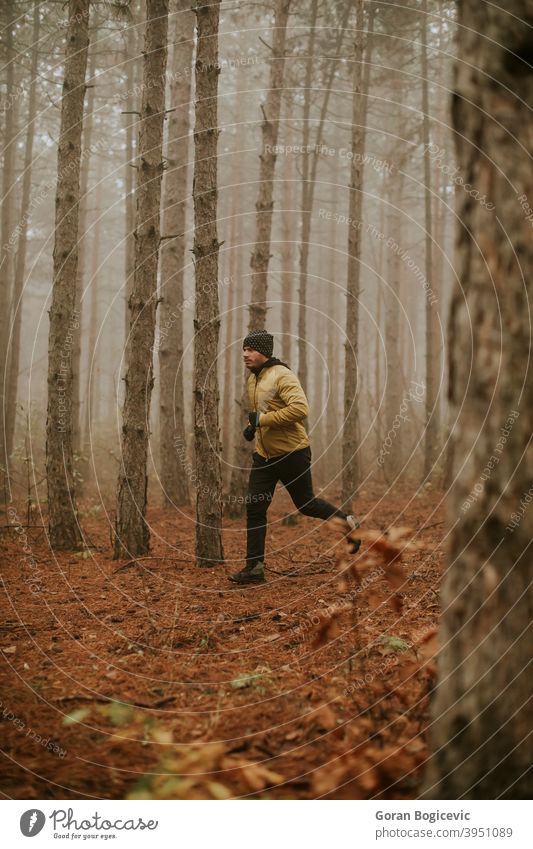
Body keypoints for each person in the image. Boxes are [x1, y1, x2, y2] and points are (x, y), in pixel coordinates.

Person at [229, 330, 360, 584]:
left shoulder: (282, 375)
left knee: (305, 504)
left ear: (264, 352)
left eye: (250, 350)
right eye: (243, 349)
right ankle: (254, 567)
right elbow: (264, 410)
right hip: (264, 457)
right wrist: (252, 426)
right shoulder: (253, 379)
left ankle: (346, 522)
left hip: (292, 453)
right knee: (255, 508)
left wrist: (263, 420)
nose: (245, 354)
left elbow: (300, 409)